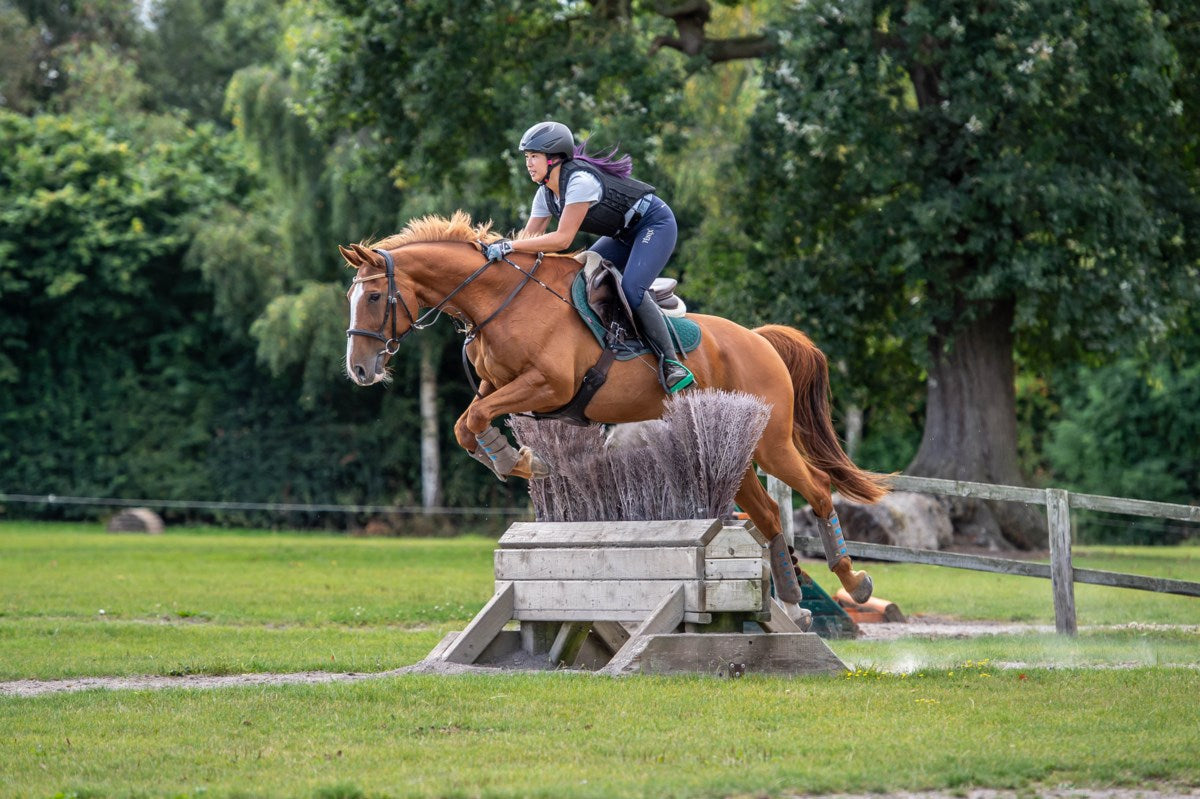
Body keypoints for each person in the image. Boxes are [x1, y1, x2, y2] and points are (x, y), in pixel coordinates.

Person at [484, 120, 694, 394]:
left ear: (554, 159)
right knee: (578, 276)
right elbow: (529, 243)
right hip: (623, 234)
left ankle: (671, 363)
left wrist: (509, 246)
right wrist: (497, 253)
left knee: (631, 290)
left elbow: (562, 240)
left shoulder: (580, 182)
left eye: (534, 156)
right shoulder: (544, 195)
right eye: (527, 157)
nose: (528, 163)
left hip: (654, 225)